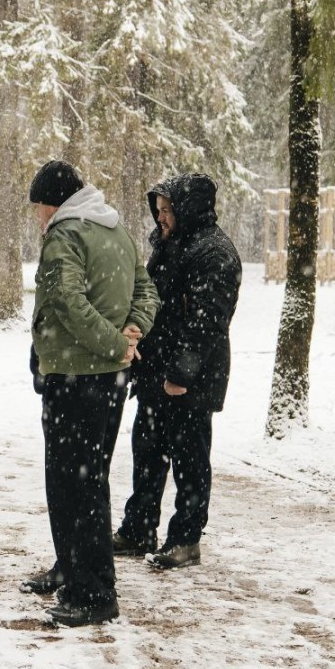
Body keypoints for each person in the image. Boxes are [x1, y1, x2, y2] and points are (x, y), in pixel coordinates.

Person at [22, 160, 159, 627]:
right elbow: (147, 289)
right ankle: (71, 568)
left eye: (39, 208)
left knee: (72, 485)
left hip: (76, 377)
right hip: (109, 381)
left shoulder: (66, 235)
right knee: (89, 477)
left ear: (52, 202)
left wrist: (116, 343)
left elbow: (69, 303)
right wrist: (134, 329)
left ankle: (93, 592)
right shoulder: (115, 230)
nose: (39, 218)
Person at [112, 173, 241, 569]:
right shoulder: (169, 244)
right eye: (158, 211)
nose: (161, 218)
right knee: (147, 452)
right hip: (155, 372)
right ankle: (139, 529)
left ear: (188, 209)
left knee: (189, 459)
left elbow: (206, 322)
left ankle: (186, 539)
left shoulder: (214, 252)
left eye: (167, 211)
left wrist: (181, 375)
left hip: (192, 379)